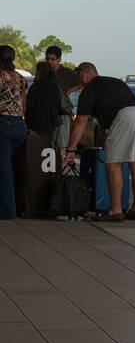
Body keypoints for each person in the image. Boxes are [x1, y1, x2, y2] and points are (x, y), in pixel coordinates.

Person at [64, 63, 135, 221]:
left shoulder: (89, 90)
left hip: (126, 117)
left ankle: (115, 210)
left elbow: (80, 122)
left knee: (113, 165)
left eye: (77, 77)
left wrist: (70, 150)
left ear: (83, 75)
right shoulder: (114, 82)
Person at [0, 45, 27, 220]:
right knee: (5, 165)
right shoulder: (20, 78)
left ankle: (7, 210)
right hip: (18, 125)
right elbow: (23, 101)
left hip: (3, 123)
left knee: (4, 169)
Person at [24, 62, 65, 140]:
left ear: (40, 72)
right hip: (50, 125)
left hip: (35, 125)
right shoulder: (55, 87)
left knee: (33, 148)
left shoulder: (36, 86)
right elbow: (59, 105)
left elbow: (29, 105)